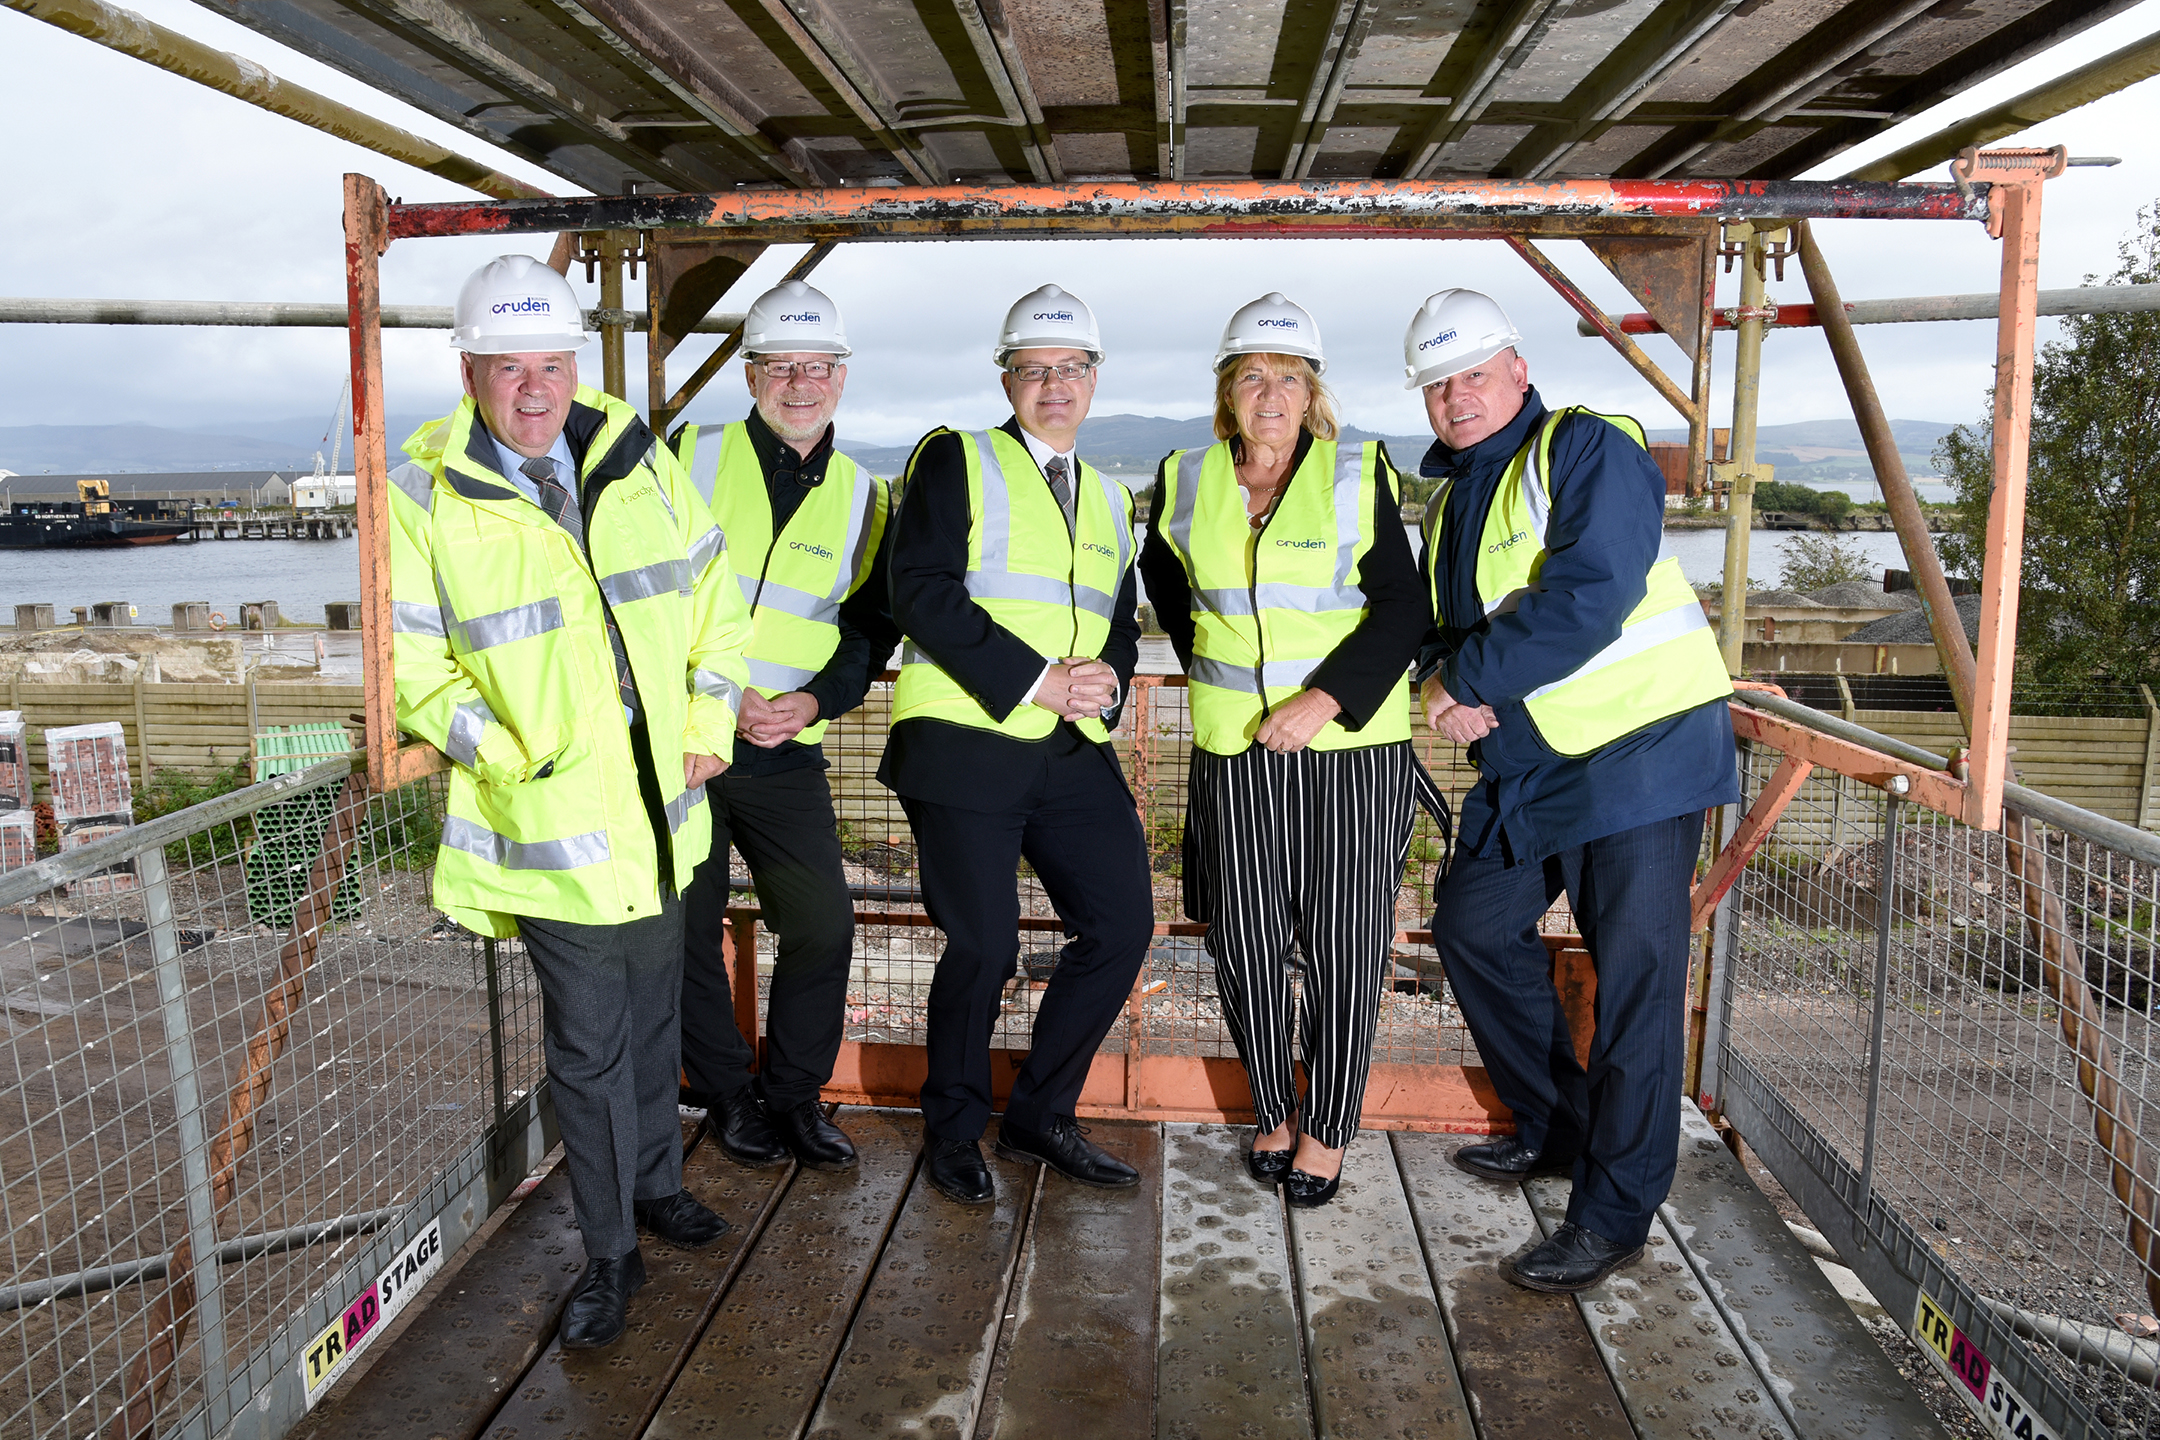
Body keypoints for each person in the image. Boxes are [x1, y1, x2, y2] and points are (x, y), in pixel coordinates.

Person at [388, 254, 752, 1349]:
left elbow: (715, 607)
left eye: (552, 363)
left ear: (576, 364)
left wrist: (705, 725)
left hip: (661, 817)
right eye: (511, 368)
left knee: (651, 1026)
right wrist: (514, 753)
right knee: (588, 1054)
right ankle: (609, 1255)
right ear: (469, 373)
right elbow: (414, 672)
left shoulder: (637, 461)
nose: (535, 388)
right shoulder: (425, 497)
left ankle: (652, 1188)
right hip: (551, 830)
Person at [1409, 288, 1736, 1292]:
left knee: (1636, 989)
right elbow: (1450, 628)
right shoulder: (1457, 496)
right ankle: (1557, 1128)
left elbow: (1592, 595)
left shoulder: (1586, 448)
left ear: (1515, 367)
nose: (1456, 397)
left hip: (1640, 756)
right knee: (1469, 923)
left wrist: (1464, 682)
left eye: (1472, 374)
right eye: (1437, 383)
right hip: (1537, 765)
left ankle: (1616, 1213)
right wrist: (1449, 681)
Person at [1138, 293, 1428, 1209]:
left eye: (1290, 380)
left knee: (1343, 947)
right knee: (1246, 942)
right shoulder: (1184, 475)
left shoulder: (1358, 473)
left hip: (1350, 752)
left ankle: (1330, 1126)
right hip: (1235, 751)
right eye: (1253, 377)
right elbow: (1165, 580)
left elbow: (1404, 611)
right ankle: (1272, 1106)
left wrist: (1323, 698)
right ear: (1229, 393)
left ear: (1313, 395)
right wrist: (1216, 666)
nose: (1271, 395)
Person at [880, 283, 1154, 1205]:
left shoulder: (1115, 498)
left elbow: (1119, 615)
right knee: (986, 943)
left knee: (1122, 925)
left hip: (1071, 747)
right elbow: (919, 589)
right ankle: (954, 1128)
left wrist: (1107, 680)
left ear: (1093, 379)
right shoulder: (955, 459)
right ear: (1006, 380)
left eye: (1070, 369)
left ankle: (1042, 1114)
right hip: (965, 740)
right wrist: (1037, 679)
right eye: (1034, 371)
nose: (1054, 387)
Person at [669, 280, 898, 1174]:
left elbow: (868, 627)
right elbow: (631, 594)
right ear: (750, 372)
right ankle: (728, 1092)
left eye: (818, 366)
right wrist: (713, 698)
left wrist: (814, 703)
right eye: (781, 366)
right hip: (686, 741)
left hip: (783, 748)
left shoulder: (864, 496)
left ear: (841, 376)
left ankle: (793, 1096)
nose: (801, 382)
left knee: (821, 924)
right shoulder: (685, 454)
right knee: (686, 926)